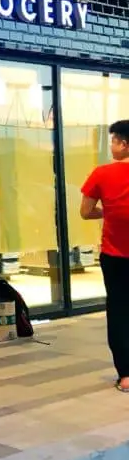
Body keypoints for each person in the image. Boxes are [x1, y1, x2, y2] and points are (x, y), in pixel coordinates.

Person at [80, 120, 129, 393]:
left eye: (113, 141)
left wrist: (108, 210)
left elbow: (86, 212)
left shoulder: (102, 174)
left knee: (120, 311)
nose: (111, 146)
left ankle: (126, 375)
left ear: (124, 144)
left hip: (116, 255)